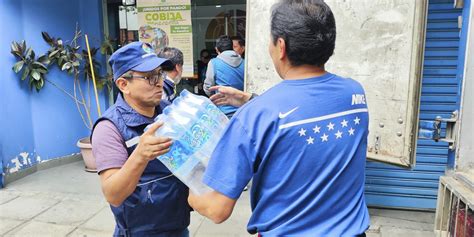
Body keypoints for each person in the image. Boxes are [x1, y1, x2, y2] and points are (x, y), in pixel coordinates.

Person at [188, 0, 370, 236]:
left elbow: (216, 209)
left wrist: (188, 183)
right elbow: (305, 107)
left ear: (281, 46)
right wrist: (248, 99)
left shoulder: (254, 116)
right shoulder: (354, 93)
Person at [91, 42, 191, 236]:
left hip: (178, 225)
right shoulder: (109, 127)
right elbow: (113, 194)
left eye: (160, 74)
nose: (160, 82)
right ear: (123, 84)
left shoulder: (170, 112)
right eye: (149, 77)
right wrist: (140, 155)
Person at [203, 35, 245, 118]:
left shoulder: (214, 63)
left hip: (222, 112)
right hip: (242, 110)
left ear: (217, 49)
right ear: (232, 47)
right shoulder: (245, 63)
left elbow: (208, 88)